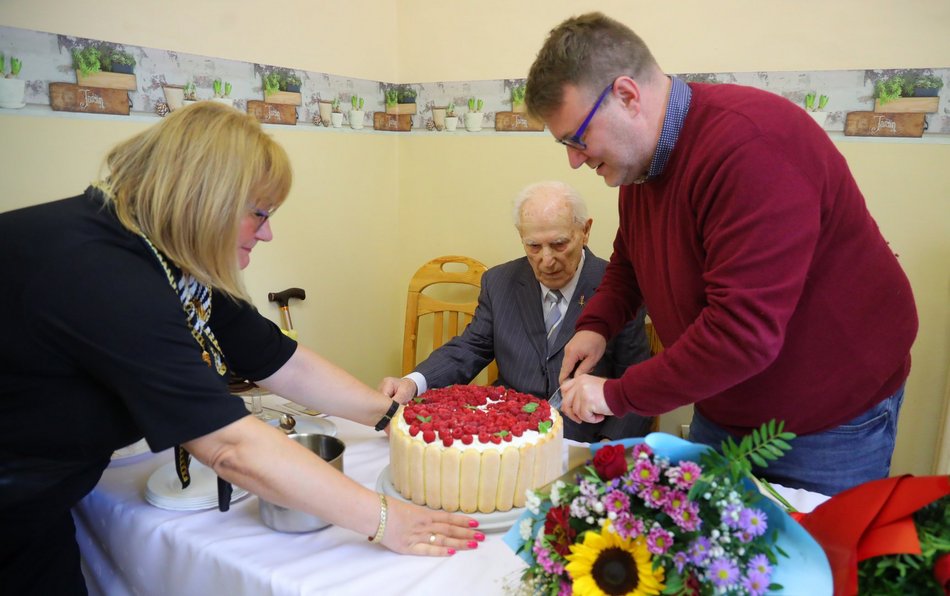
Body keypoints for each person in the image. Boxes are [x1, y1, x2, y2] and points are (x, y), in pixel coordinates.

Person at [0, 102, 481, 595]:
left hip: (41, 500)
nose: (268, 232)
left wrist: (393, 419)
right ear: (205, 199)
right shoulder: (106, 274)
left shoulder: (166, 255)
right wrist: (386, 520)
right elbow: (228, 447)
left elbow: (279, 361)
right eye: (259, 213)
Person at [524, 12, 918, 495]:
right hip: (726, 401)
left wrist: (615, 393)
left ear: (627, 96)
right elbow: (632, 258)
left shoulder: (752, 146)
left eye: (577, 139)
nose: (575, 158)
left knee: (809, 560)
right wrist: (595, 325)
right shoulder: (641, 167)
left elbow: (741, 334)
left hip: (828, 417)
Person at [380, 181, 654, 442]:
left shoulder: (618, 287)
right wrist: (413, 383)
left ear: (585, 231)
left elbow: (636, 376)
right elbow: (470, 348)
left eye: (559, 244)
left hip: (584, 441)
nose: (546, 260)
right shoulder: (500, 282)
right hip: (506, 437)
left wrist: (608, 447)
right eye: (533, 246)